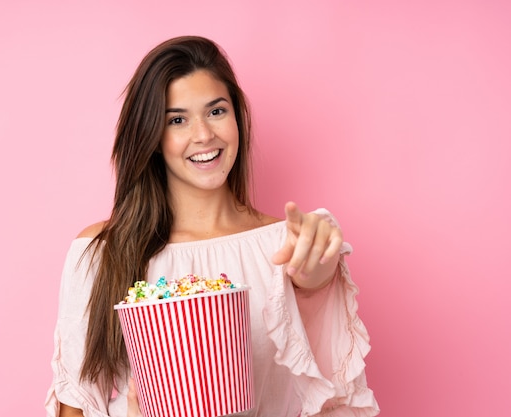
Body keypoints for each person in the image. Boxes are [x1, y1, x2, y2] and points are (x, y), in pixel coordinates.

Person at [45, 36, 379, 417]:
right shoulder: (101, 253)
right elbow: (74, 406)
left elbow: (330, 386)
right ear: (152, 136)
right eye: (177, 119)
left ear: (236, 117)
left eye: (216, 111)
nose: (203, 135)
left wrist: (318, 276)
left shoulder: (283, 246)